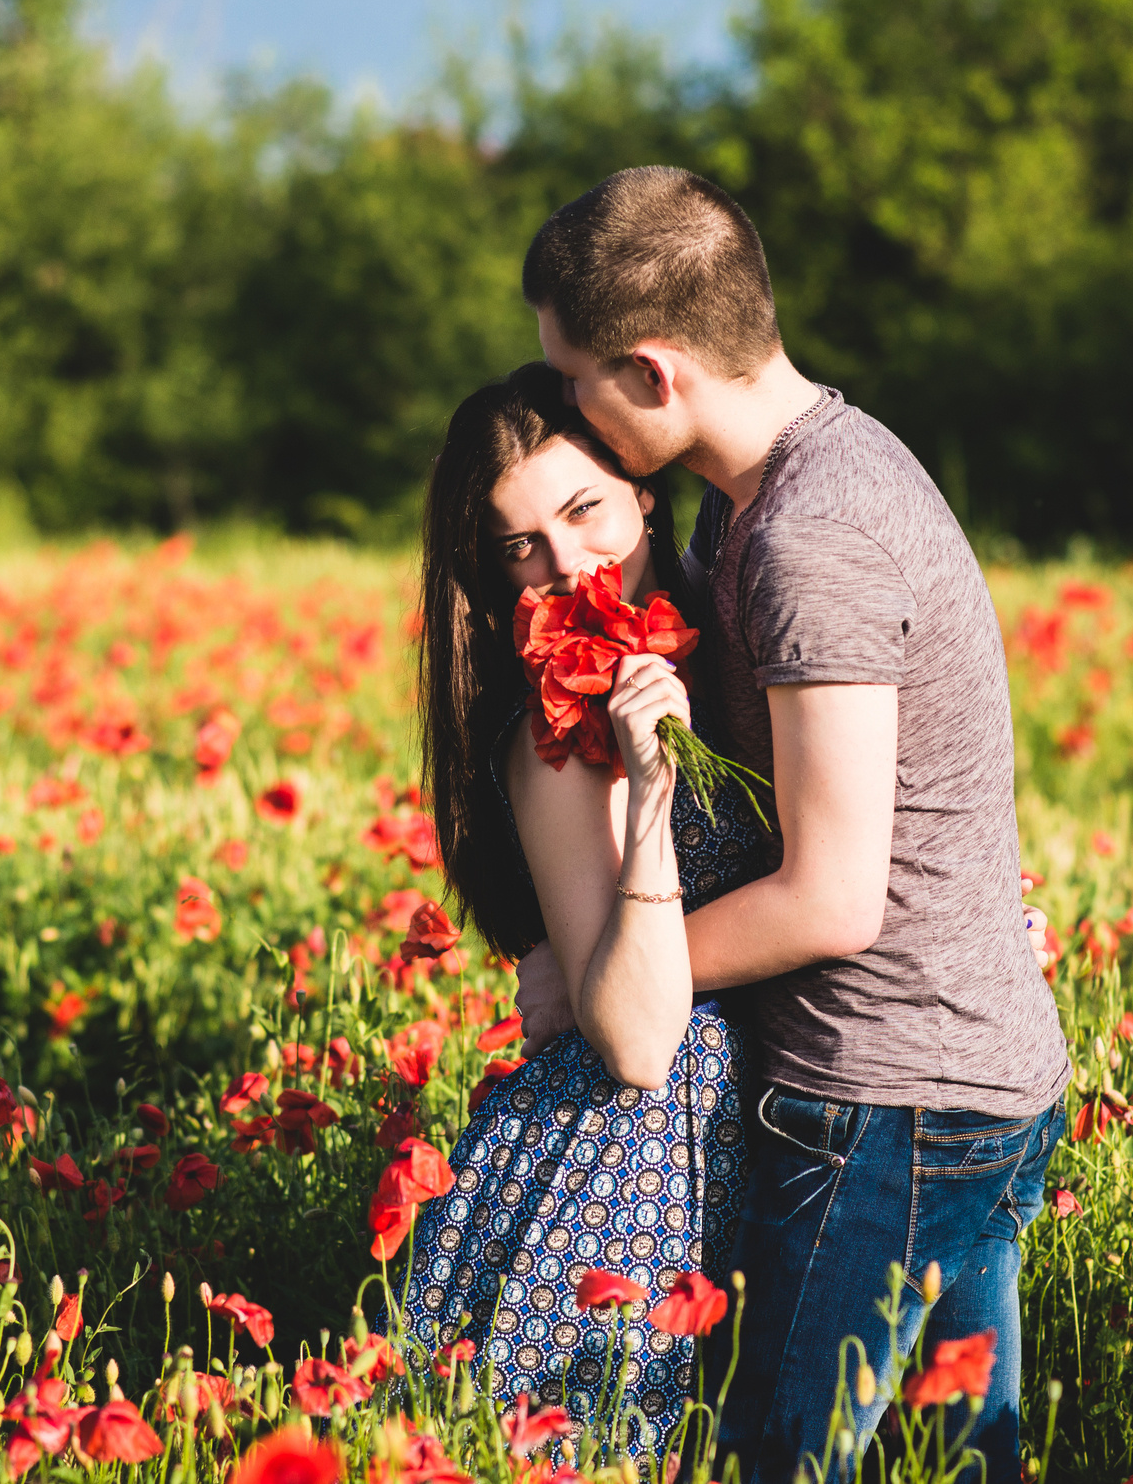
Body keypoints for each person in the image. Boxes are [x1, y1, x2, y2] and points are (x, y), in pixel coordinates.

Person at [510, 166, 1071, 1484]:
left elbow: (832, 896)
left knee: (780, 1459)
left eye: (576, 379)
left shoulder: (811, 532)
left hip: (888, 1098)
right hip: (954, 1069)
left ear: (652, 374)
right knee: (959, 1460)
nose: (565, 411)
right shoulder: (774, 486)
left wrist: (609, 979)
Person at [401, 363, 781, 1453]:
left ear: (644, 494)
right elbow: (636, 1038)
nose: (564, 564)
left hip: (747, 1143)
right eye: (519, 543)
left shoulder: (745, 646)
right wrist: (650, 789)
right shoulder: (553, 742)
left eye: (583, 511)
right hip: (620, 1176)